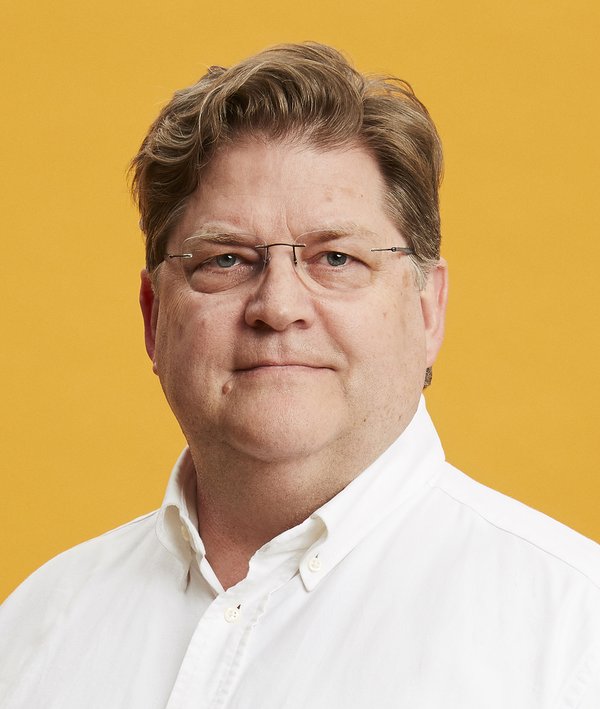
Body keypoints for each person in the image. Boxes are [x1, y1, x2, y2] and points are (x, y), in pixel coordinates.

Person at [1, 42, 599, 709]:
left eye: (336, 258)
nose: (278, 306)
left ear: (427, 309)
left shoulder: (574, 637)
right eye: (226, 259)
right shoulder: (33, 628)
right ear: (153, 315)